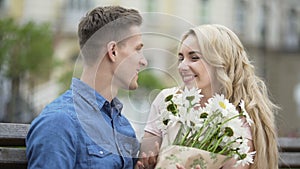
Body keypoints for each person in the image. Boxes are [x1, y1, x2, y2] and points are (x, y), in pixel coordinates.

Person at [136, 24, 279, 169]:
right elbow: (144, 158)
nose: (182, 66)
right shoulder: (167, 100)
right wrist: (147, 164)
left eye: (194, 58)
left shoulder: (240, 119)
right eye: (181, 58)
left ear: (222, 62)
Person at [26, 5, 147, 169]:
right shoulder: (60, 122)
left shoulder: (123, 126)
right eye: (137, 50)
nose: (143, 61)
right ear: (113, 51)